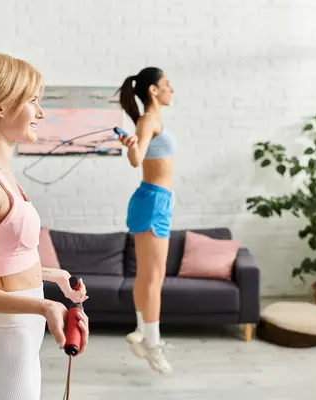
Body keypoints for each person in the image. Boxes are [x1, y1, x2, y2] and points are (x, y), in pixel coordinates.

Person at [0, 51, 90, 400]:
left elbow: (1, 261)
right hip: (0, 349)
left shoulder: (1, 174)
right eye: (34, 101)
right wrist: (44, 306)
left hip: (20, 342)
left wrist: (56, 278)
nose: (40, 113)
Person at [116, 67, 175, 375]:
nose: (171, 90)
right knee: (153, 279)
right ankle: (153, 346)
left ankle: (141, 332)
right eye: (167, 85)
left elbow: (139, 155)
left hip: (156, 201)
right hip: (153, 201)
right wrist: (133, 147)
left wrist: (134, 146)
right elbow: (137, 160)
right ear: (153, 90)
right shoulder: (148, 120)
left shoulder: (150, 121)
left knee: (148, 276)